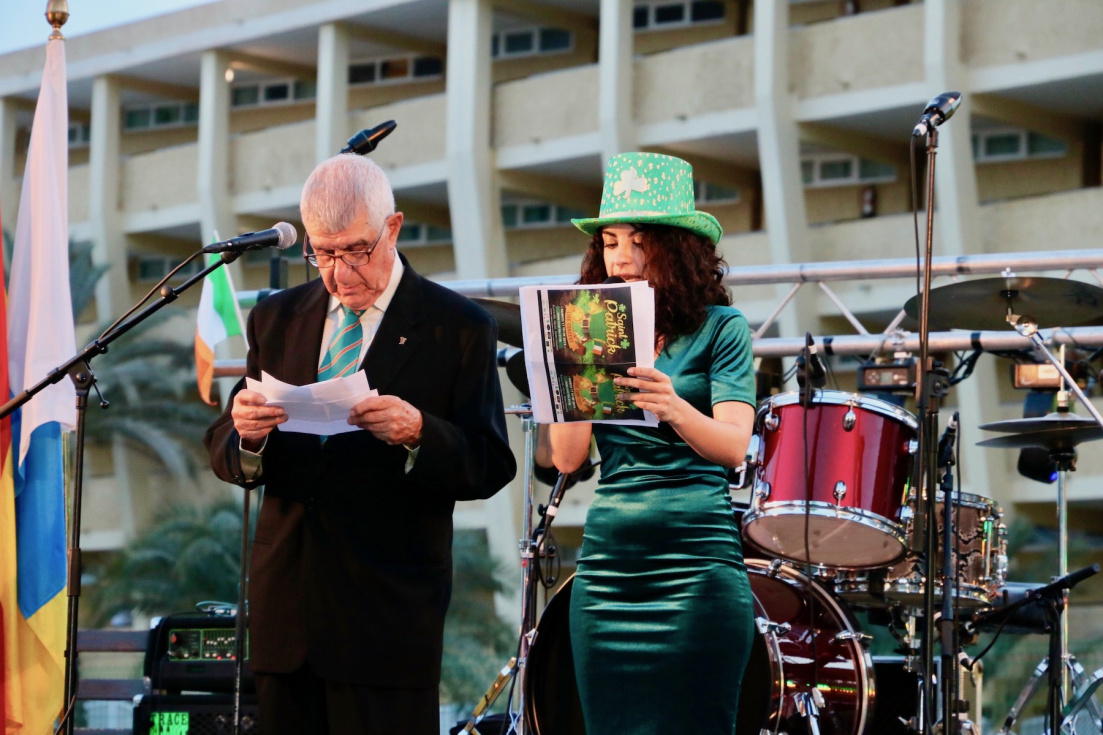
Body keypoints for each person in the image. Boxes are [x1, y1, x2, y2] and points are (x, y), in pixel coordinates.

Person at [204, 154, 516, 734]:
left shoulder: (458, 326)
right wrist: (246, 434)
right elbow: (223, 445)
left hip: (387, 622)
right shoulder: (276, 317)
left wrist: (420, 432)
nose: (339, 273)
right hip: (287, 615)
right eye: (322, 253)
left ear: (392, 229)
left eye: (355, 251)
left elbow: (490, 463)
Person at [548, 152, 757, 734]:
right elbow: (567, 459)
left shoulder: (721, 328)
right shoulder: (591, 325)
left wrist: (673, 406)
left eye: (639, 242)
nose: (620, 257)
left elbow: (734, 447)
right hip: (608, 568)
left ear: (677, 249)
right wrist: (569, 365)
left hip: (696, 563)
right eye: (609, 242)